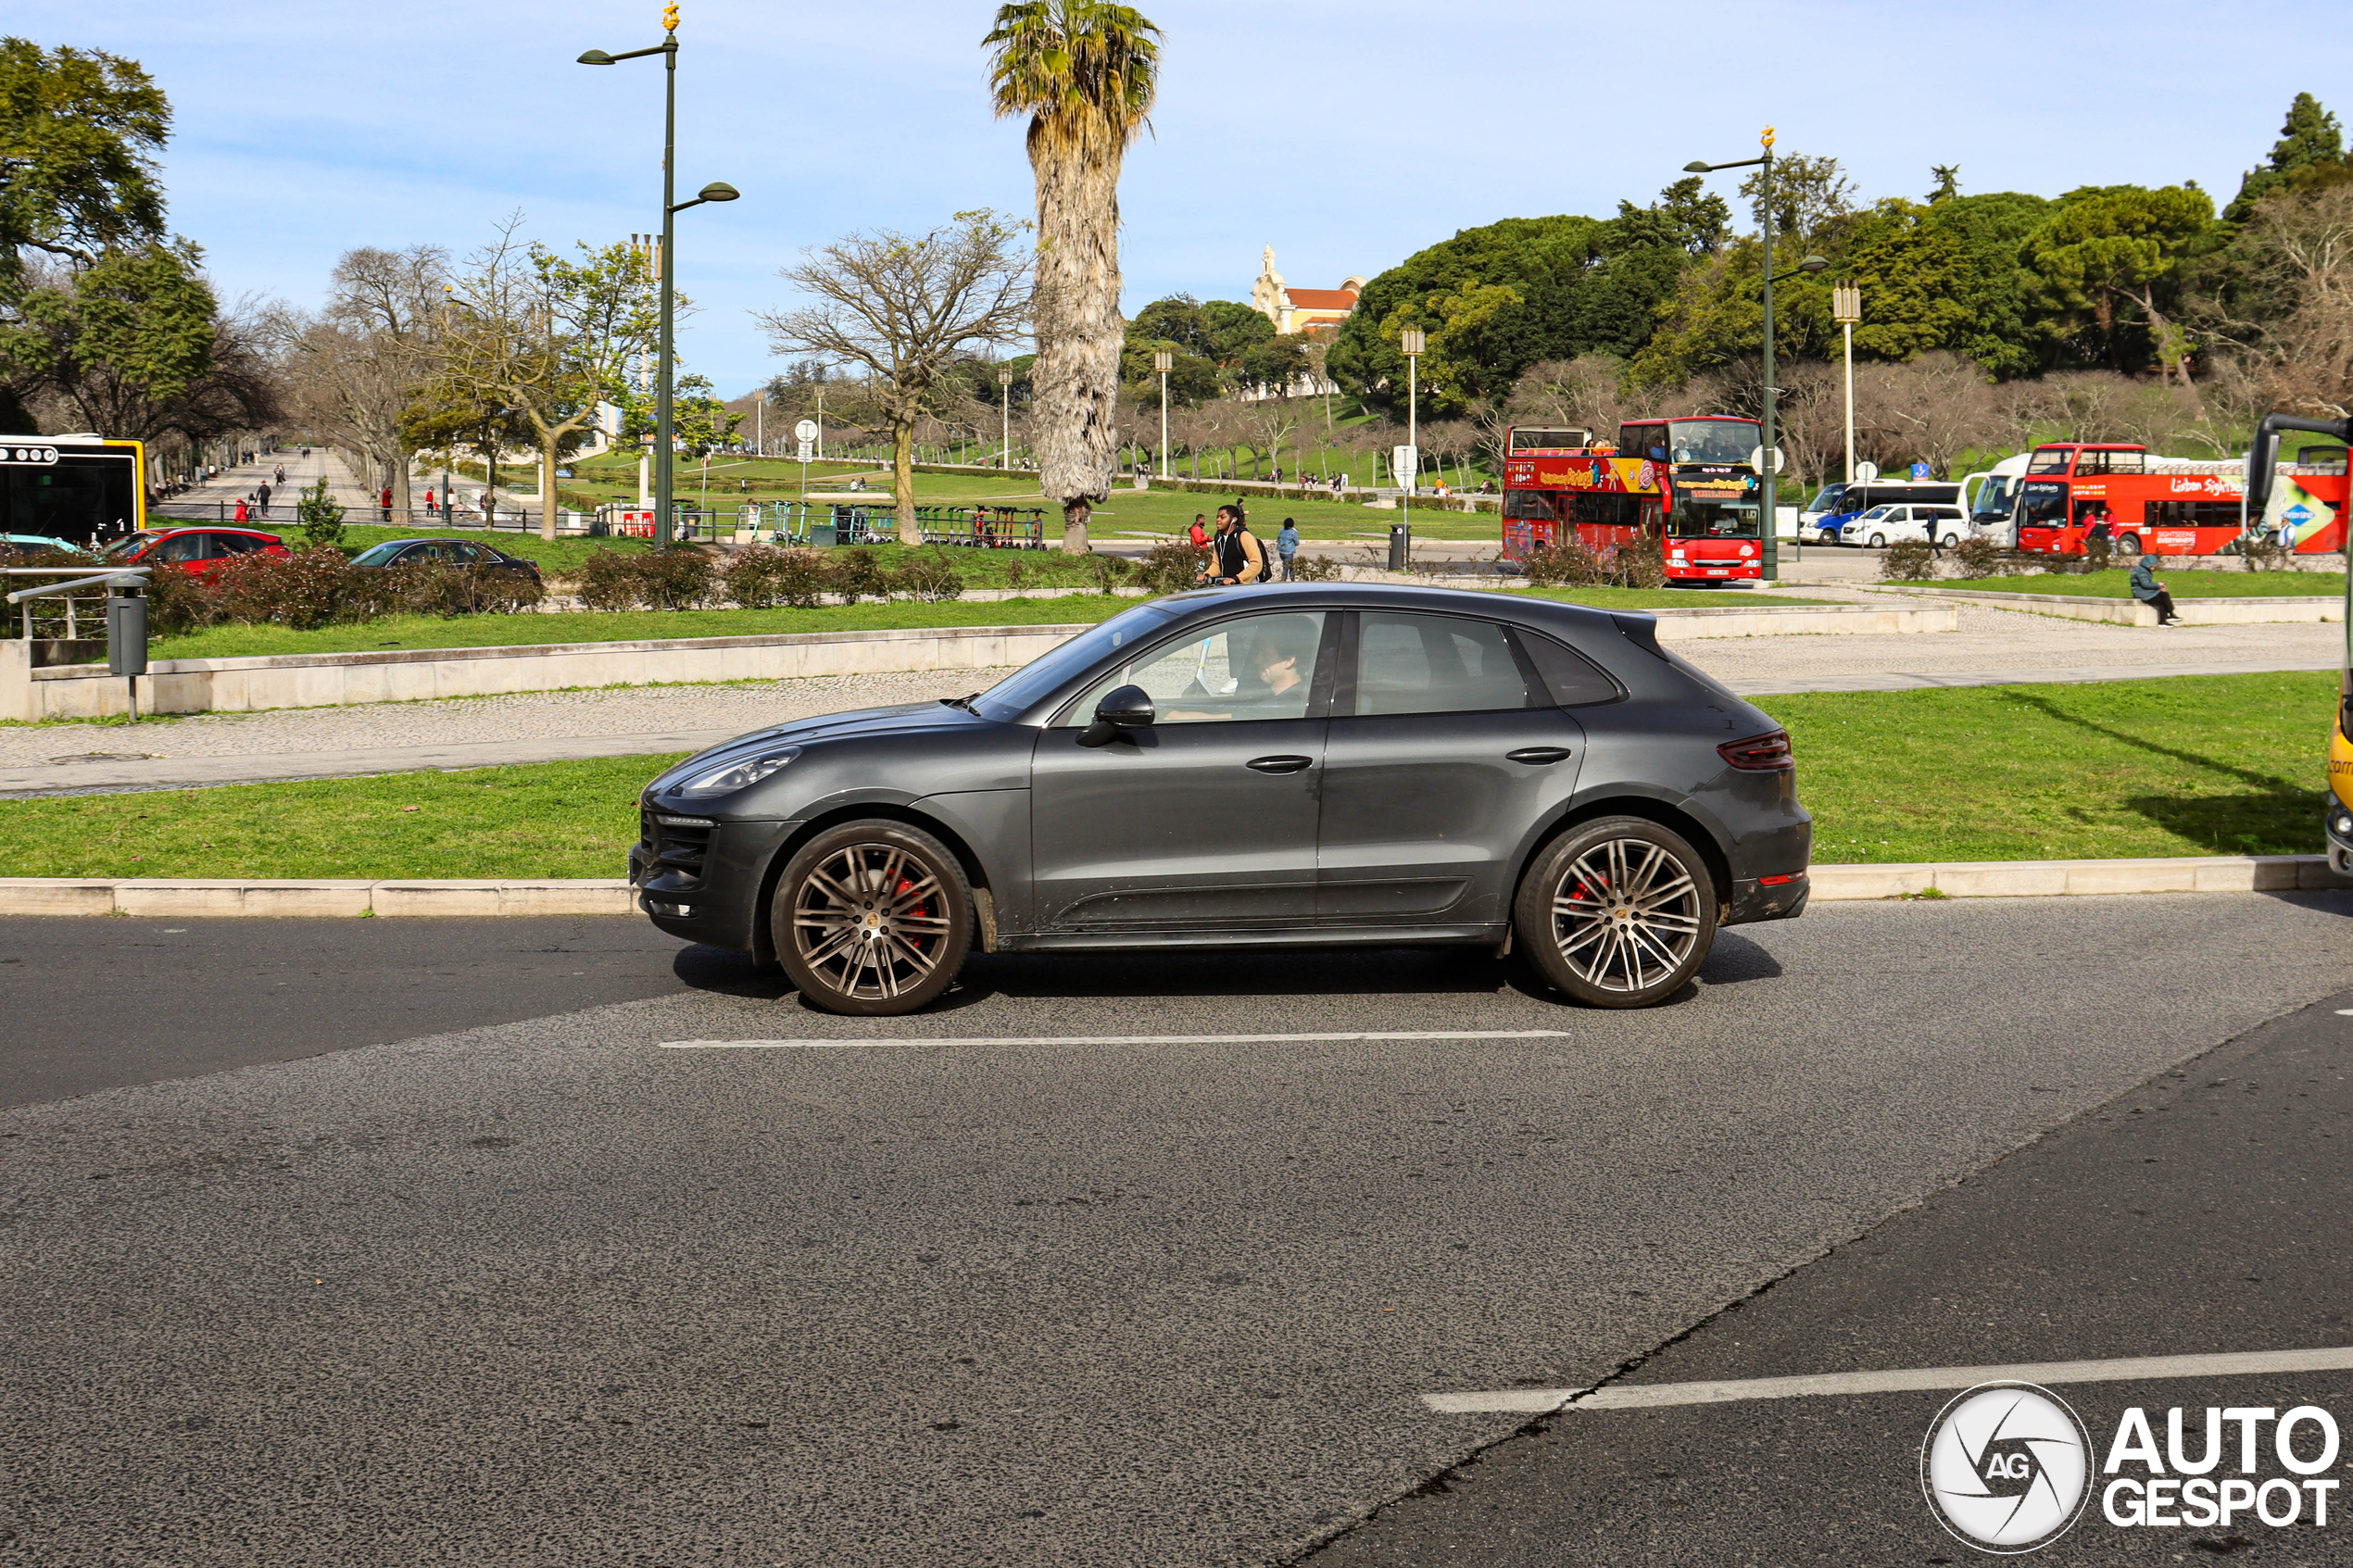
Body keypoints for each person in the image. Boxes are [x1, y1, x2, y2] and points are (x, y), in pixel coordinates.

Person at [1197, 504, 1266, 586]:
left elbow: (1256, 563)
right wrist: (1207, 575)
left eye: (1222, 517)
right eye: (1217, 517)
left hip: (1246, 587)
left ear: (1234, 520)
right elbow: (1217, 564)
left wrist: (1237, 579)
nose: (1218, 520)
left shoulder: (1244, 536)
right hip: (1227, 586)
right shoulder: (1219, 538)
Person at [2131, 554, 2181, 625]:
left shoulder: (2143, 570)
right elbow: (2145, 584)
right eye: (2154, 565)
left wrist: (2159, 587)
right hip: (2141, 593)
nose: (2155, 566)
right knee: (2163, 597)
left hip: (2144, 591)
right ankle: (2168, 616)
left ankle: (2167, 618)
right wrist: (2158, 585)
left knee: (2163, 596)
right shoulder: (2141, 571)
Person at [1277, 517, 1300, 582]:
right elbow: (1297, 542)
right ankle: (1283, 580)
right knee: (1286, 567)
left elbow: (1278, 539)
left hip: (1281, 551)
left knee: (1291, 565)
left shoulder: (1281, 530)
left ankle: (1293, 578)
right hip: (1288, 552)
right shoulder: (1293, 532)